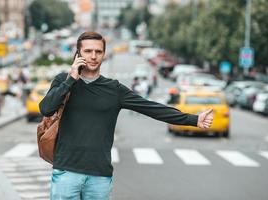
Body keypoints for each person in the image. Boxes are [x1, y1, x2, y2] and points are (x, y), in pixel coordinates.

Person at [39, 32, 213, 200]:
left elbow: (152, 108)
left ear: (104, 55)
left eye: (98, 52)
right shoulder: (63, 80)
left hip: (99, 176)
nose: (93, 56)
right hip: (66, 172)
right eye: (88, 51)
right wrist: (71, 79)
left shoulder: (114, 89)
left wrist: (194, 119)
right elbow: (46, 108)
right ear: (78, 53)